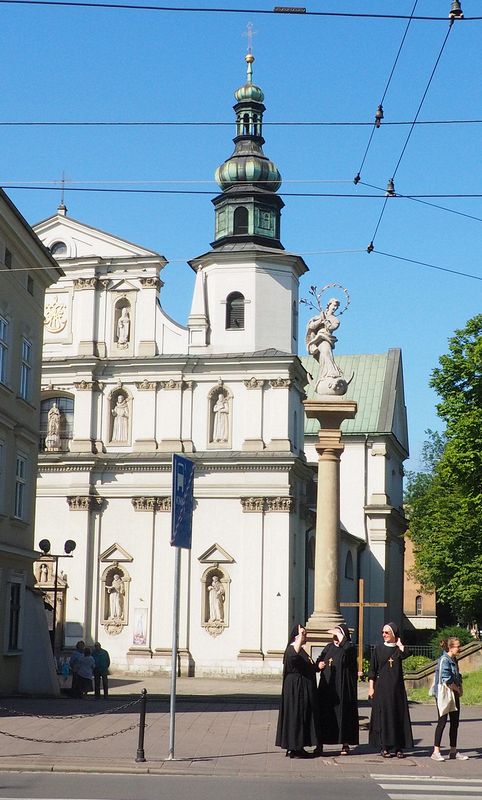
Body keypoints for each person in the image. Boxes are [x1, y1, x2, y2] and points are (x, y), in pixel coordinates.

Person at [275, 623, 321, 759]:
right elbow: (293, 659)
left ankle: (297, 746)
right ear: (296, 636)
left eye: (305, 633)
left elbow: (309, 666)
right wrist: (299, 639)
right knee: (296, 717)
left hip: (302, 690)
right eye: (303, 633)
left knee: (301, 717)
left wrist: (318, 666)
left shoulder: (301, 650)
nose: (305, 636)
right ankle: (295, 747)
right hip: (295, 691)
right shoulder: (291, 650)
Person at [368, 622, 413, 759]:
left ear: (393, 634)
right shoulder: (378, 649)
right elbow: (372, 671)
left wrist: (399, 644)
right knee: (384, 717)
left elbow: (407, 653)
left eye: (387, 633)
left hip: (397, 688)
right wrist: (371, 688)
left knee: (397, 716)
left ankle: (398, 747)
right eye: (383, 632)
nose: (384, 635)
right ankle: (385, 747)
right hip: (382, 688)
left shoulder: (398, 650)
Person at [316, 624, 359, 756]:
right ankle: (320, 744)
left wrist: (342, 639)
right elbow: (319, 660)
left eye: (337, 635)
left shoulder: (349, 648)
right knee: (324, 716)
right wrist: (319, 664)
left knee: (343, 716)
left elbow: (349, 655)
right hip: (327, 688)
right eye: (333, 636)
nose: (334, 638)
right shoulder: (329, 647)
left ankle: (345, 743)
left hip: (342, 689)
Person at [431, 637, 468, 761]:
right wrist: (457, 689)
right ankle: (436, 751)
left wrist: (459, 686)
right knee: (442, 722)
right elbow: (446, 678)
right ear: (451, 647)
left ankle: (453, 750)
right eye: (457, 646)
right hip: (444, 694)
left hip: (454, 693)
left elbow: (457, 674)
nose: (459, 648)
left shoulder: (454, 659)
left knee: (455, 722)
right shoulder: (444, 660)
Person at [305, 298, 342, 381]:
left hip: (326, 339)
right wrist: (320, 319)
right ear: (329, 305)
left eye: (337, 307)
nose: (335, 308)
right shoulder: (319, 316)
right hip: (319, 339)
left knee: (326, 353)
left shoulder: (336, 320)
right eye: (334, 305)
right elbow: (311, 326)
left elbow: (331, 328)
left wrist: (325, 320)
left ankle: (330, 373)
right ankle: (325, 374)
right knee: (323, 355)